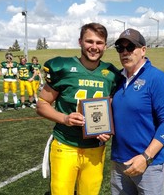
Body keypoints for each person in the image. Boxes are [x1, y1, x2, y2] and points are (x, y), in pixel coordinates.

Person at [36, 22, 121, 195]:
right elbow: (42, 105)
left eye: (99, 43)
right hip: (65, 144)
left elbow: (112, 110)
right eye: (89, 41)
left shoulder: (111, 74)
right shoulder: (63, 67)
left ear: (105, 45)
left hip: (95, 148)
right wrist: (64, 119)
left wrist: (108, 130)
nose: (94, 47)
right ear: (80, 42)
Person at [110, 28, 164, 195]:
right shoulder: (117, 78)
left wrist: (146, 157)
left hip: (148, 164)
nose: (125, 52)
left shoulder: (157, 78)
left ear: (143, 50)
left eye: (130, 47)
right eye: (120, 48)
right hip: (119, 161)